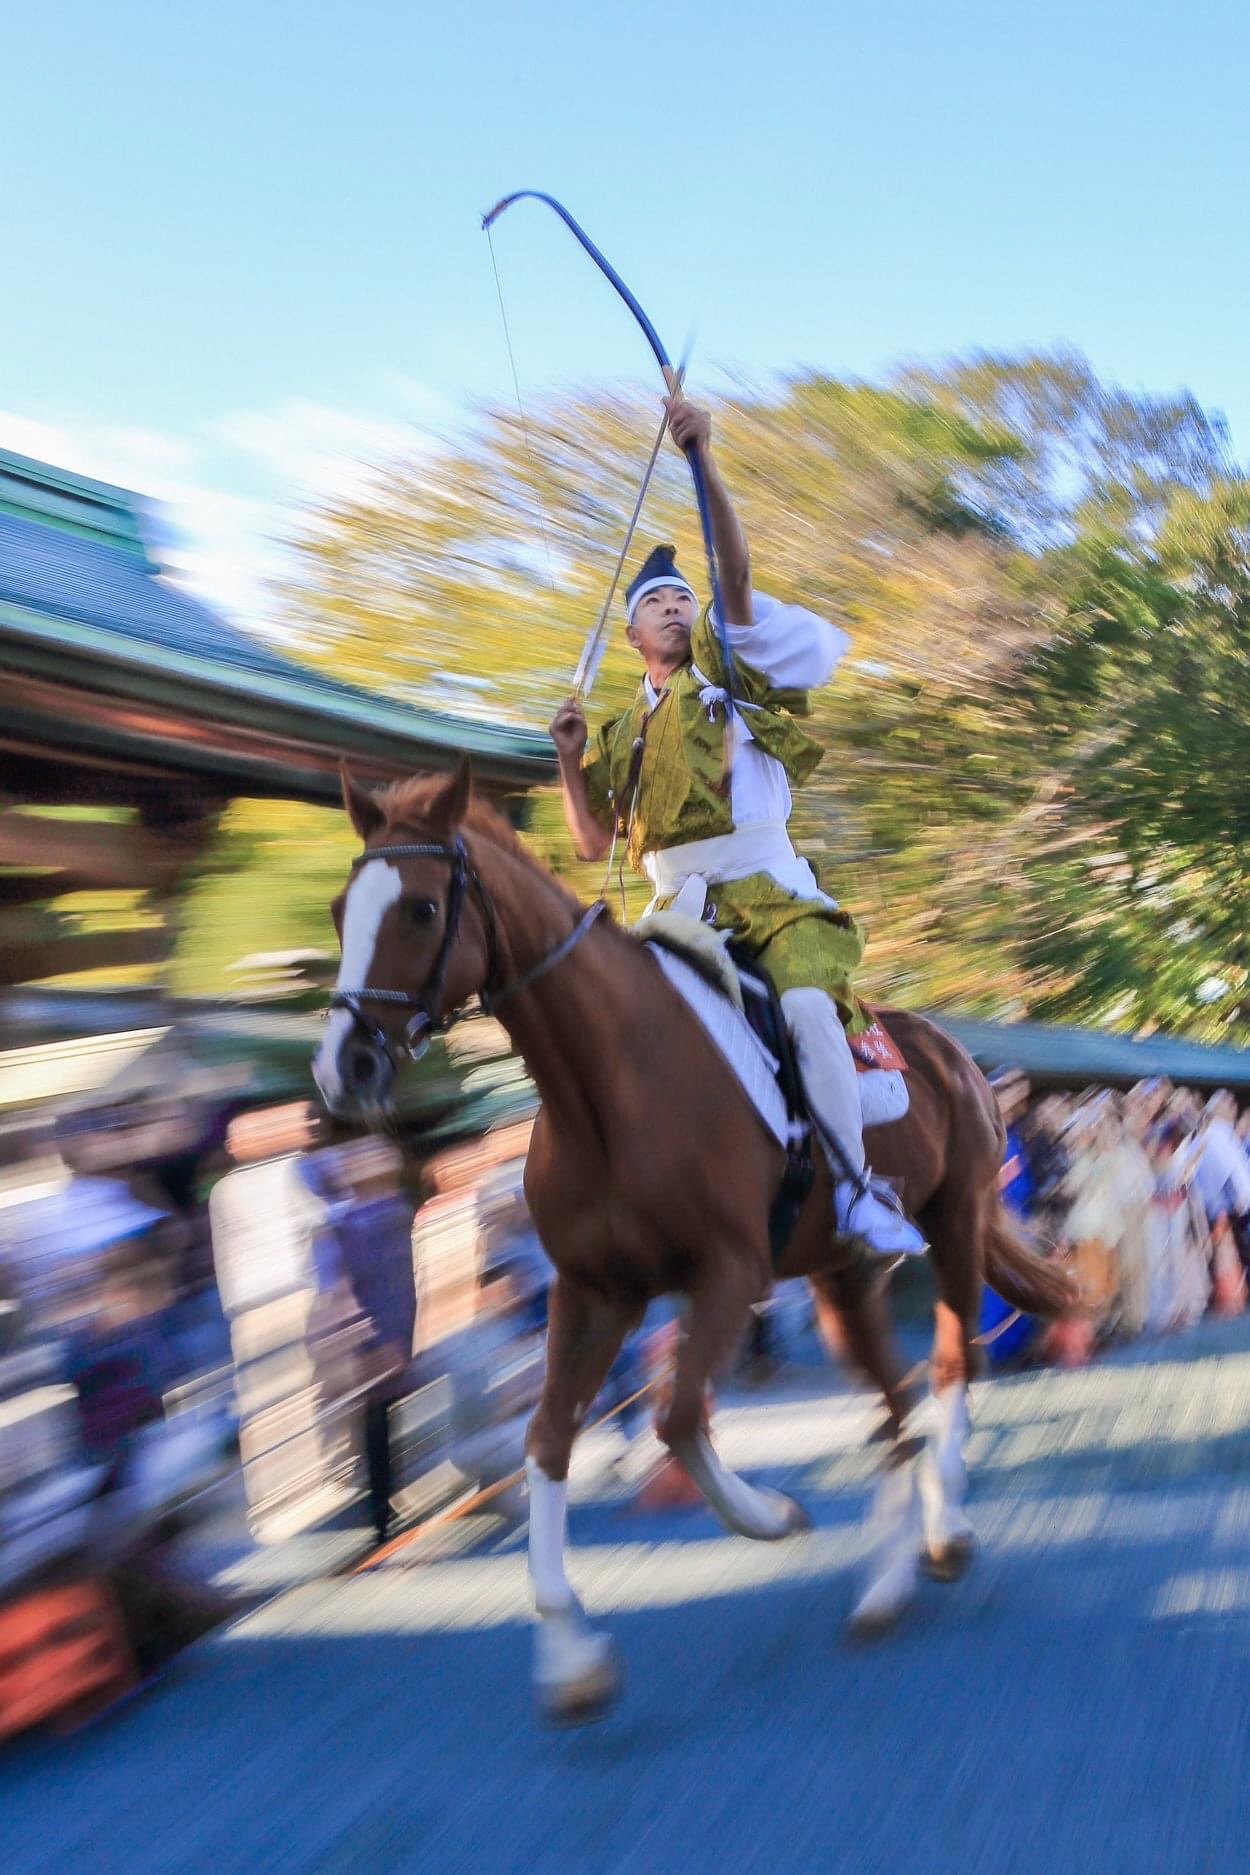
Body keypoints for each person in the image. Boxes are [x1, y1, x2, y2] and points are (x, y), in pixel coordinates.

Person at [548, 392, 923, 1258]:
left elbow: (737, 576)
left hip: (771, 892)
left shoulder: (727, 667)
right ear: (632, 628)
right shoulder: (614, 732)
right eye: (659, 602)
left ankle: (859, 1187)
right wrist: (569, 758)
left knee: (803, 1005)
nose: (677, 607)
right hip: (676, 907)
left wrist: (702, 455)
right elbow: (591, 847)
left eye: (684, 597)